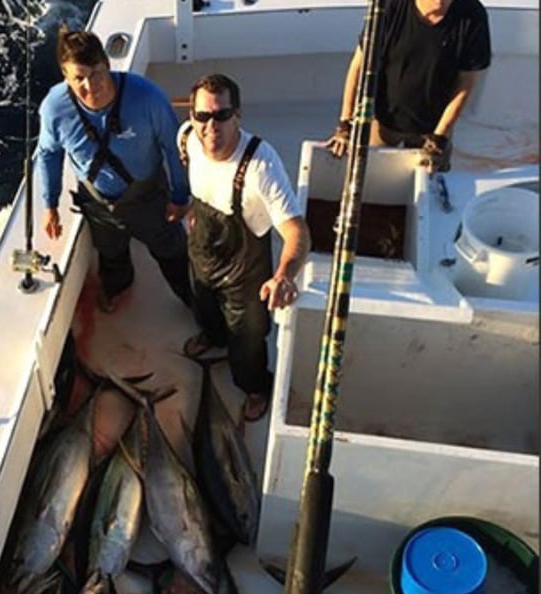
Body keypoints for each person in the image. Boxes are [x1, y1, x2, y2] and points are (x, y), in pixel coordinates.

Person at [179, 74, 311, 423]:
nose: (211, 126)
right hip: (202, 253)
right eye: (203, 116)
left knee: (248, 341)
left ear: (238, 114)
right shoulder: (187, 138)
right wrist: (189, 208)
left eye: (221, 115)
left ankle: (255, 388)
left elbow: (297, 232)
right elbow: (195, 179)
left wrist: (283, 276)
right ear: (192, 116)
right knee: (203, 306)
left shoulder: (260, 165)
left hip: (245, 272)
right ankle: (211, 336)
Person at [37, 28, 190, 313]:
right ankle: (119, 288)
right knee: (111, 254)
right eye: (78, 78)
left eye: (95, 73)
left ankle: (194, 300)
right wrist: (50, 204)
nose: (89, 85)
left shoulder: (148, 98)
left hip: (148, 196)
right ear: (65, 77)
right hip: (98, 203)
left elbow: (174, 148)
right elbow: (48, 153)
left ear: (107, 64)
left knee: (172, 252)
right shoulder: (54, 108)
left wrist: (181, 196)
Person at [326, 0, 491, 171]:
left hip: (433, 130)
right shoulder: (390, 6)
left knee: (429, 187)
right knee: (372, 177)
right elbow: (358, 66)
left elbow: (466, 82)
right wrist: (345, 125)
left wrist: (439, 138)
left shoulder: (472, 14)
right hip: (382, 121)